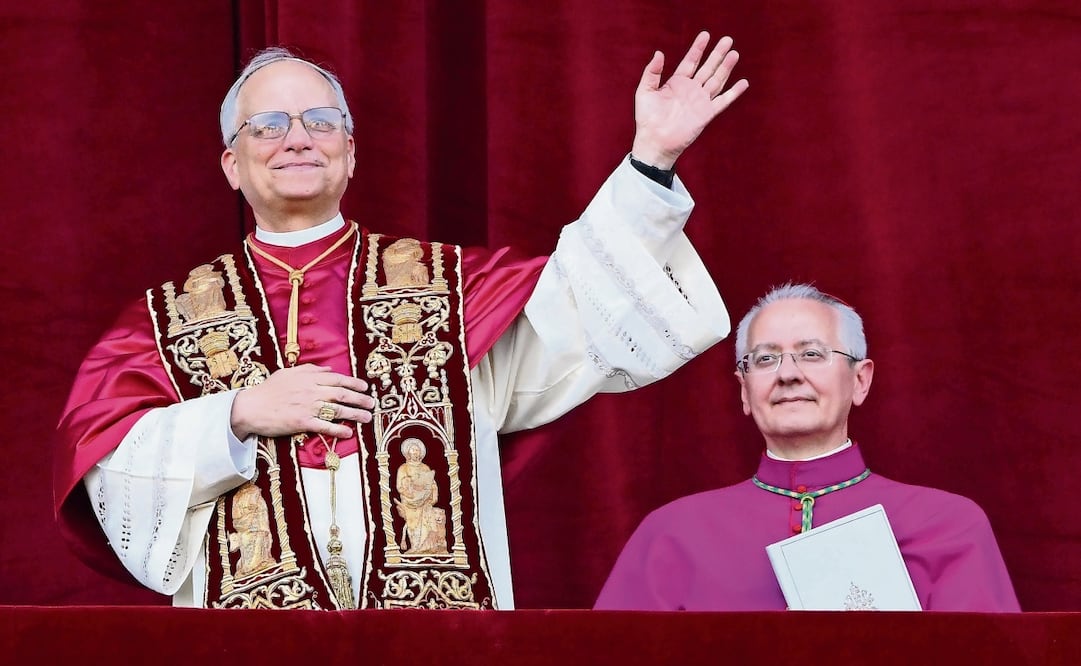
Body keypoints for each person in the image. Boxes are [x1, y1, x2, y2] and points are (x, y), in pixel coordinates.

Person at [54, 32, 749, 610]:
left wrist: (650, 160)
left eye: (321, 122)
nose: (297, 139)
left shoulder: (450, 287)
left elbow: (582, 303)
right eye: (267, 126)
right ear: (232, 165)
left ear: (351, 153)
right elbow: (107, 461)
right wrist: (235, 414)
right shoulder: (163, 321)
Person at [594, 283, 1020, 611]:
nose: (788, 374)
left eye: (812, 354)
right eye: (765, 359)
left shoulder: (948, 526)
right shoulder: (671, 534)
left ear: (860, 380)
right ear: (744, 391)